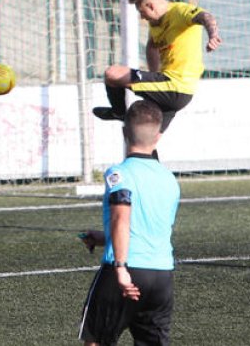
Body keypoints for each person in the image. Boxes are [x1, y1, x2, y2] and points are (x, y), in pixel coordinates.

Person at [77, 100, 180, 346]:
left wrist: (121, 268)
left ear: (124, 132)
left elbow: (121, 217)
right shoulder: (169, 179)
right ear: (159, 136)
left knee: (97, 341)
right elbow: (148, 228)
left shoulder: (119, 174)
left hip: (126, 270)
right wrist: (104, 238)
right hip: (161, 276)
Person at [93, 0, 222, 133]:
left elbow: (205, 16)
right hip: (169, 88)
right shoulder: (155, 23)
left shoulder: (180, 12)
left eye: (141, 12)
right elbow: (152, 46)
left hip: (176, 87)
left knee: (112, 74)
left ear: (151, 6)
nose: (141, 17)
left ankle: (119, 112)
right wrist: (153, 74)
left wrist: (213, 35)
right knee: (143, 140)